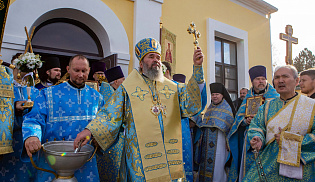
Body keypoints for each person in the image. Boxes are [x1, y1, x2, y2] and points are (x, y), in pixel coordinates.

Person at [74, 37, 205, 181]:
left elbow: (192, 105)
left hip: (168, 159)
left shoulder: (174, 88)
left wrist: (197, 68)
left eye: (158, 57)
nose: (156, 60)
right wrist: (90, 131)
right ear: (141, 63)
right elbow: (110, 114)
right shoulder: (128, 89)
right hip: (140, 160)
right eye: (151, 57)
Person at [22, 55, 104, 182]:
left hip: (85, 160)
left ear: (89, 71)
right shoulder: (48, 93)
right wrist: (32, 136)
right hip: (53, 159)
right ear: (68, 69)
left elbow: (103, 123)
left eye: (84, 71)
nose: (80, 75)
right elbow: (34, 118)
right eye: (76, 70)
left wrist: (100, 137)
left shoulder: (97, 98)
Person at [243, 65, 315, 181]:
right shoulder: (266, 106)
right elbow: (257, 126)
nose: (280, 80)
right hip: (269, 162)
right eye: (277, 77)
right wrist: (257, 137)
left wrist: (290, 140)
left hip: (301, 166)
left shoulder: (311, 106)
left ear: (296, 81)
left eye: (285, 76)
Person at [227, 65, 279, 182]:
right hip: (249, 141)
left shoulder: (275, 97)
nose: (261, 81)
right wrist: (245, 121)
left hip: (268, 139)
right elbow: (238, 120)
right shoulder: (248, 98)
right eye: (257, 79)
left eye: (263, 79)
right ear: (252, 81)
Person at [0, 53, 38, 182]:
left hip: (30, 141)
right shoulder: (4, 87)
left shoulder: (35, 91)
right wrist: (14, 107)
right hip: (10, 141)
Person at [195, 83, 236, 182]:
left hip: (220, 143)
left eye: (217, 94)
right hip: (206, 144)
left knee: (218, 165)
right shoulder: (210, 108)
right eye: (213, 94)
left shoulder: (227, 108)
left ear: (222, 95)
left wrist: (228, 142)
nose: (214, 96)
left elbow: (231, 127)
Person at [97, 65, 125, 182]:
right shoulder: (108, 96)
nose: (125, 83)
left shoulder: (115, 93)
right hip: (111, 142)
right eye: (123, 80)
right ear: (116, 81)